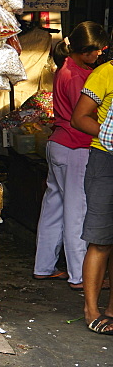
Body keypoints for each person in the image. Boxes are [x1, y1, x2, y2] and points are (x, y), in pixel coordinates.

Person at [34, 22, 110, 289]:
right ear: (86, 51)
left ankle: (43, 267)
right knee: (77, 212)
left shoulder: (66, 67)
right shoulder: (80, 76)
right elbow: (84, 117)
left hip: (58, 144)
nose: (99, 55)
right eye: (97, 51)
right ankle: (80, 276)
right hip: (76, 147)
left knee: (54, 208)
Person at [70, 33, 113, 335]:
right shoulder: (105, 73)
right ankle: (92, 309)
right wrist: (108, 134)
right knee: (100, 239)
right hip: (105, 161)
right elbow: (79, 118)